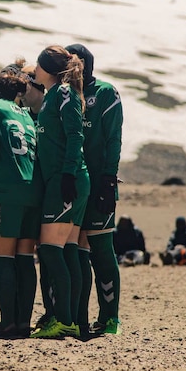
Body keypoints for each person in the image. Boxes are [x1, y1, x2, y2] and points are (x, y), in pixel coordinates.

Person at [29, 45, 90, 339]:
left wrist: (67, 172)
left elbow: (75, 132)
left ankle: (64, 319)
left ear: (49, 70)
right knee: (67, 252)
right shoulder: (52, 95)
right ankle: (74, 319)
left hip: (68, 179)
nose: (34, 70)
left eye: (38, 66)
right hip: (64, 178)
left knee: (52, 252)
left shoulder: (63, 93)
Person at [0, 69, 40, 338]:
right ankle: (24, 322)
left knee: (2, 258)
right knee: (25, 258)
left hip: (5, 188)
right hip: (32, 189)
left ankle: (8, 323)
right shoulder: (24, 112)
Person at [67, 43, 123, 336]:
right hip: (72, 183)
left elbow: (114, 139)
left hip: (99, 183)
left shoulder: (104, 93)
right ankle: (78, 318)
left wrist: (108, 179)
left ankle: (110, 318)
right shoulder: (63, 94)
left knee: (101, 249)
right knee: (74, 251)